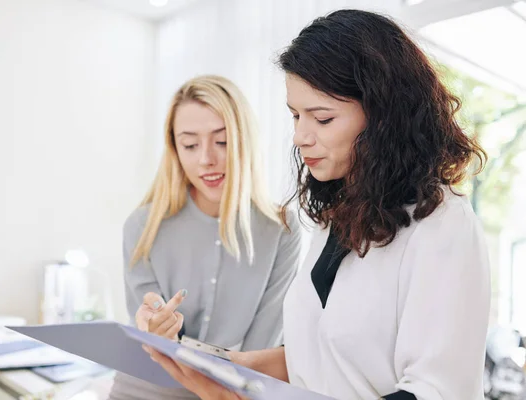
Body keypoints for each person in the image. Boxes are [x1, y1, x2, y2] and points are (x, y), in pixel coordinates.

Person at [146, 10, 491, 400]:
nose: (299, 137)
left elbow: (437, 391)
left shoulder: (442, 226)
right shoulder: (338, 218)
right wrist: (234, 368)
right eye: (295, 115)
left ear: (384, 117)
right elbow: (322, 362)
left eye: (322, 119)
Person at [109, 75, 302, 399]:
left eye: (222, 141)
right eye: (190, 144)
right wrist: (153, 327)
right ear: (174, 148)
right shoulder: (142, 225)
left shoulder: (281, 229)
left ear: (244, 140)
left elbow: (261, 349)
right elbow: (147, 322)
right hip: (141, 388)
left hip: (222, 392)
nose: (206, 159)